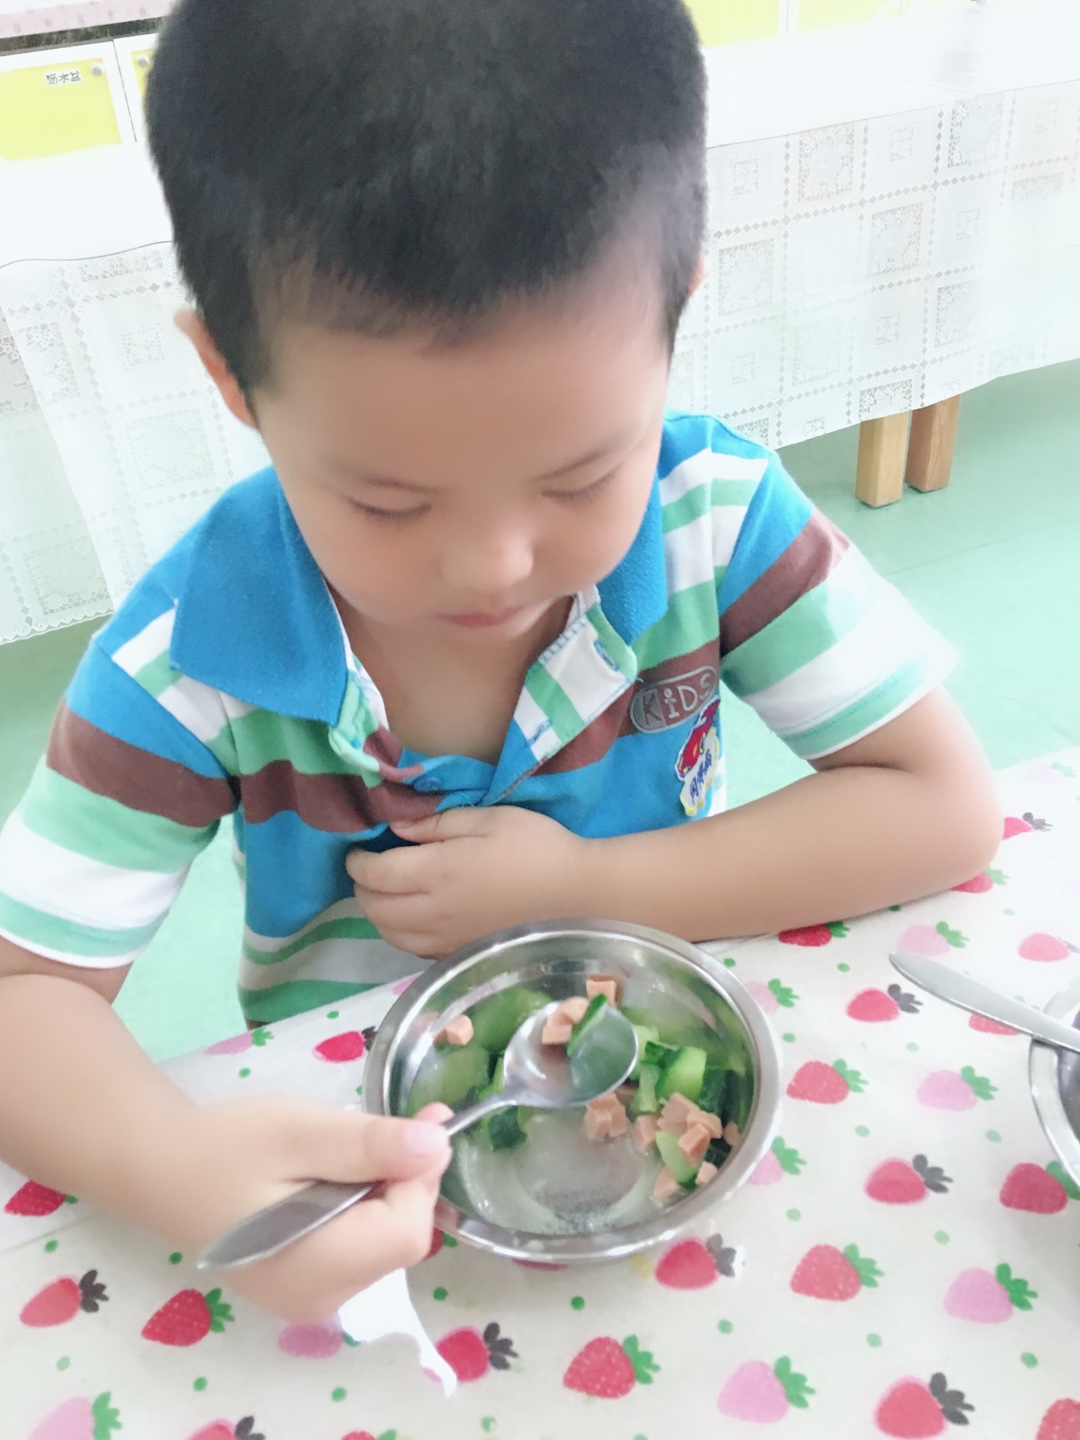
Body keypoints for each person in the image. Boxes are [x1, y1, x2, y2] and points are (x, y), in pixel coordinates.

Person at [0, 0, 1000, 1323]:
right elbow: (23, 999)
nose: (495, 567)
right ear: (231, 377)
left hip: (669, 1151)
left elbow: (944, 807)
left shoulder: (711, 520)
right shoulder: (195, 654)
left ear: (676, 315)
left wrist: (589, 886)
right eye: (389, 501)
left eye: (580, 475)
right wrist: (174, 1167)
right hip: (357, 1188)